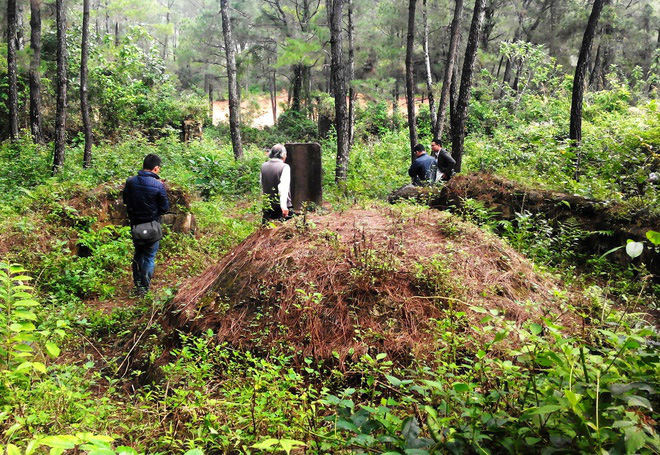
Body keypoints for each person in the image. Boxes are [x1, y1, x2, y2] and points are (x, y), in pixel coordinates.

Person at [123, 154, 169, 295]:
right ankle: (144, 288)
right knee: (149, 257)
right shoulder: (158, 185)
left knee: (138, 254)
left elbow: (126, 200)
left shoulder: (131, 182)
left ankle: (137, 285)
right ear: (156, 168)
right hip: (152, 227)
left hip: (136, 226)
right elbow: (164, 208)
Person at [260, 143, 293, 222]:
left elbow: (262, 185)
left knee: (266, 231)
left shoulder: (263, 166)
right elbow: (283, 188)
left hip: (267, 206)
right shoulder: (284, 167)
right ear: (283, 155)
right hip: (280, 208)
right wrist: (284, 207)